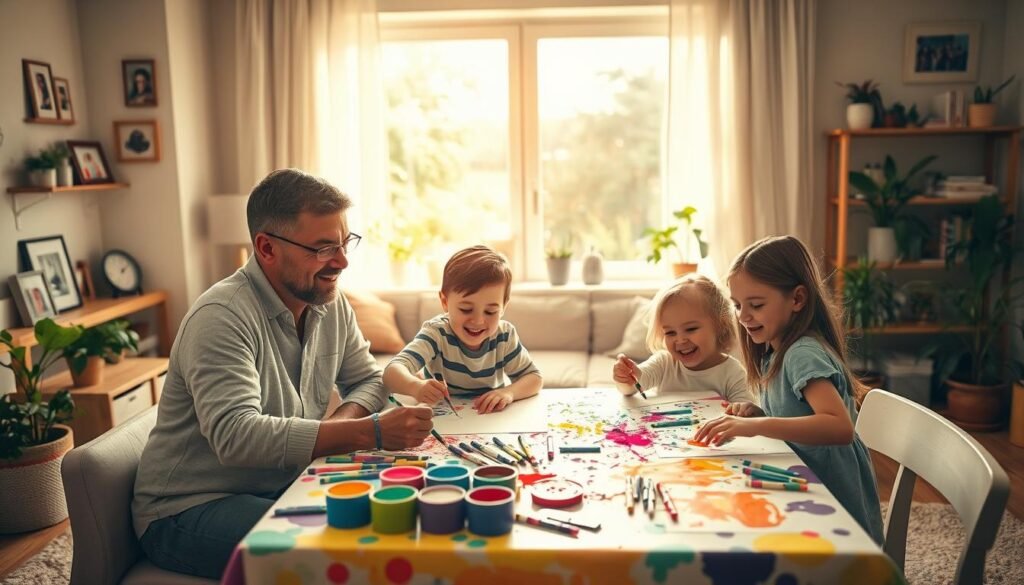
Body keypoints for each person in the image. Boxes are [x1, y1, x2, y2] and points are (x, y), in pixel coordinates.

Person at [132, 169, 434, 579]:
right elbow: (237, 436)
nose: (342, 262)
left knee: (403, 513)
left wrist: (337, 427)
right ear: (266, 248)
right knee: (350, 544)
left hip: (284, 482)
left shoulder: (328, 301)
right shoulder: (221, 316)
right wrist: (369, 432)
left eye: (345, 244)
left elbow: (368, 379)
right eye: (325, 248)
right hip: (187, 509)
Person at [694, 235, 883, 543]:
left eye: (756, 305)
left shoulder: (801, 353)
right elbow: (796, 414)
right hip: (805, 487)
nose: (743, 317)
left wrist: (756, 426)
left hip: (834, 507)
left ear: (797, 299)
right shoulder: (774, 351)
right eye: (738, 305)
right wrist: (758, 413)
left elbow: (839, 427)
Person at [383, 245, 542, 414]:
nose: (478, 321)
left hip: (491, 418)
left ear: (503, 307)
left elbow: (534, 378)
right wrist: (416, 387)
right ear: (445, 301)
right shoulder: (436, 333)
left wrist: (508, 392)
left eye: (490, 311)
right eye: (466, 309)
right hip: (445, 418)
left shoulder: (504, 336)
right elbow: (391, 372)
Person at [612, 274, 753, 402]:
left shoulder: (732, 373)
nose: (680, 340)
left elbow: (748, 417)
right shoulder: (664, 363)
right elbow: (631, 388)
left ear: (720, 326)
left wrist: (742, 409)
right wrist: (626, 378)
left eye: (691, 329)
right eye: (670, 333)